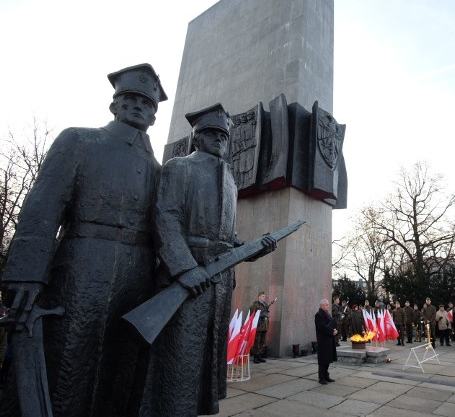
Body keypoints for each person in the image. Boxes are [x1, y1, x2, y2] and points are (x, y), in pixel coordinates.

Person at [0, 64, 167, 416]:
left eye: (146, 103)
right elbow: (42, 208)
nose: (138, 106)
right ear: (114, 106)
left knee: (118, 369)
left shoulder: (157, 170)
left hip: (137, 275)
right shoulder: (79, 139)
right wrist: (27, 274)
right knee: (65, 363)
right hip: (78, 267)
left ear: (154, 116)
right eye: (130, 99)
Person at [139, 103, 277, 416]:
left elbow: (231, 239)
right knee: (178, 361)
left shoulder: (230, 181)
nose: (218, 140)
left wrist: (256, 248)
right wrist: (184, 268)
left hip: (217, 284)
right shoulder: (178, 167)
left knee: (203, 364)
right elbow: (165, 218)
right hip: (188, 278)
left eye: (223, 136)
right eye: (210, 134)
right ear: (197, 137)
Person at [315, 299, 338, 385]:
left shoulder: (327, 314)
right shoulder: (319, 315)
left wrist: (335, 329)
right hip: (323, 340)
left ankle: (326, 375)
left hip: (329, 339)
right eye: (327, 305)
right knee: (323, 360)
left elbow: (332, 323)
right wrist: (332, 331)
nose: (328, 306)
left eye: (328, 304)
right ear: (322, 305)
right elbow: (322, 327)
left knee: (328, 359)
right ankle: (321, 377)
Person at [250, 292, 273, 364]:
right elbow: (252, 312)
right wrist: (259, 314)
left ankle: (259, 355)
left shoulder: (265, 304)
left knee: (262, 341)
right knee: (257, 341)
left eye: (264, 296)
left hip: (264, 325)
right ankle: (255, 356)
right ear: (259, 296)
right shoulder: (256, 304)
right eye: (262, 296)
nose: (264, 298)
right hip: (258, 326)